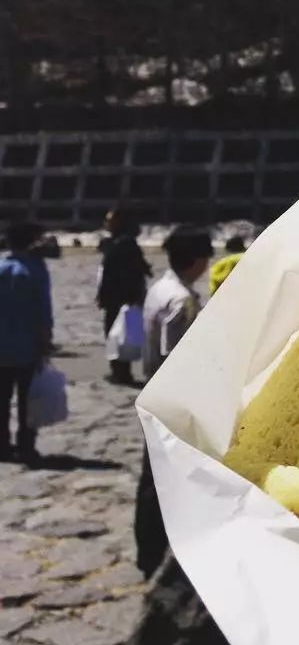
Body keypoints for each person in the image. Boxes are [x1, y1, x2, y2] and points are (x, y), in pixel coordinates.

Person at [136, 224, 213, 579]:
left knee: (150, 479)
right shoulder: (182, 299)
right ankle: (158, 553)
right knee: (165, 483)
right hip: (173, 402)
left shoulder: (159, 288)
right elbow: (177, 357)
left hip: (152, 392)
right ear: (196, 260)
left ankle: (147, 551)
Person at [0, 221, 53, 463]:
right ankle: (26, 445)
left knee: (2, 398)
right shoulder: (36, 269)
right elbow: (43, 309)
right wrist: (45, 339)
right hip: (27, 345)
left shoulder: (2, 267)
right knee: (27, 400)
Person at [97, 206, 152, 385]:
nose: (107, 223)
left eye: (110, 219)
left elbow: (136, 270)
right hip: (117, 296)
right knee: (117, 334)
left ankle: (121, 373)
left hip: (122, 297)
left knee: (119, 334)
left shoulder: (124, 243)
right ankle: (119, 372)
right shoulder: (117, 242)